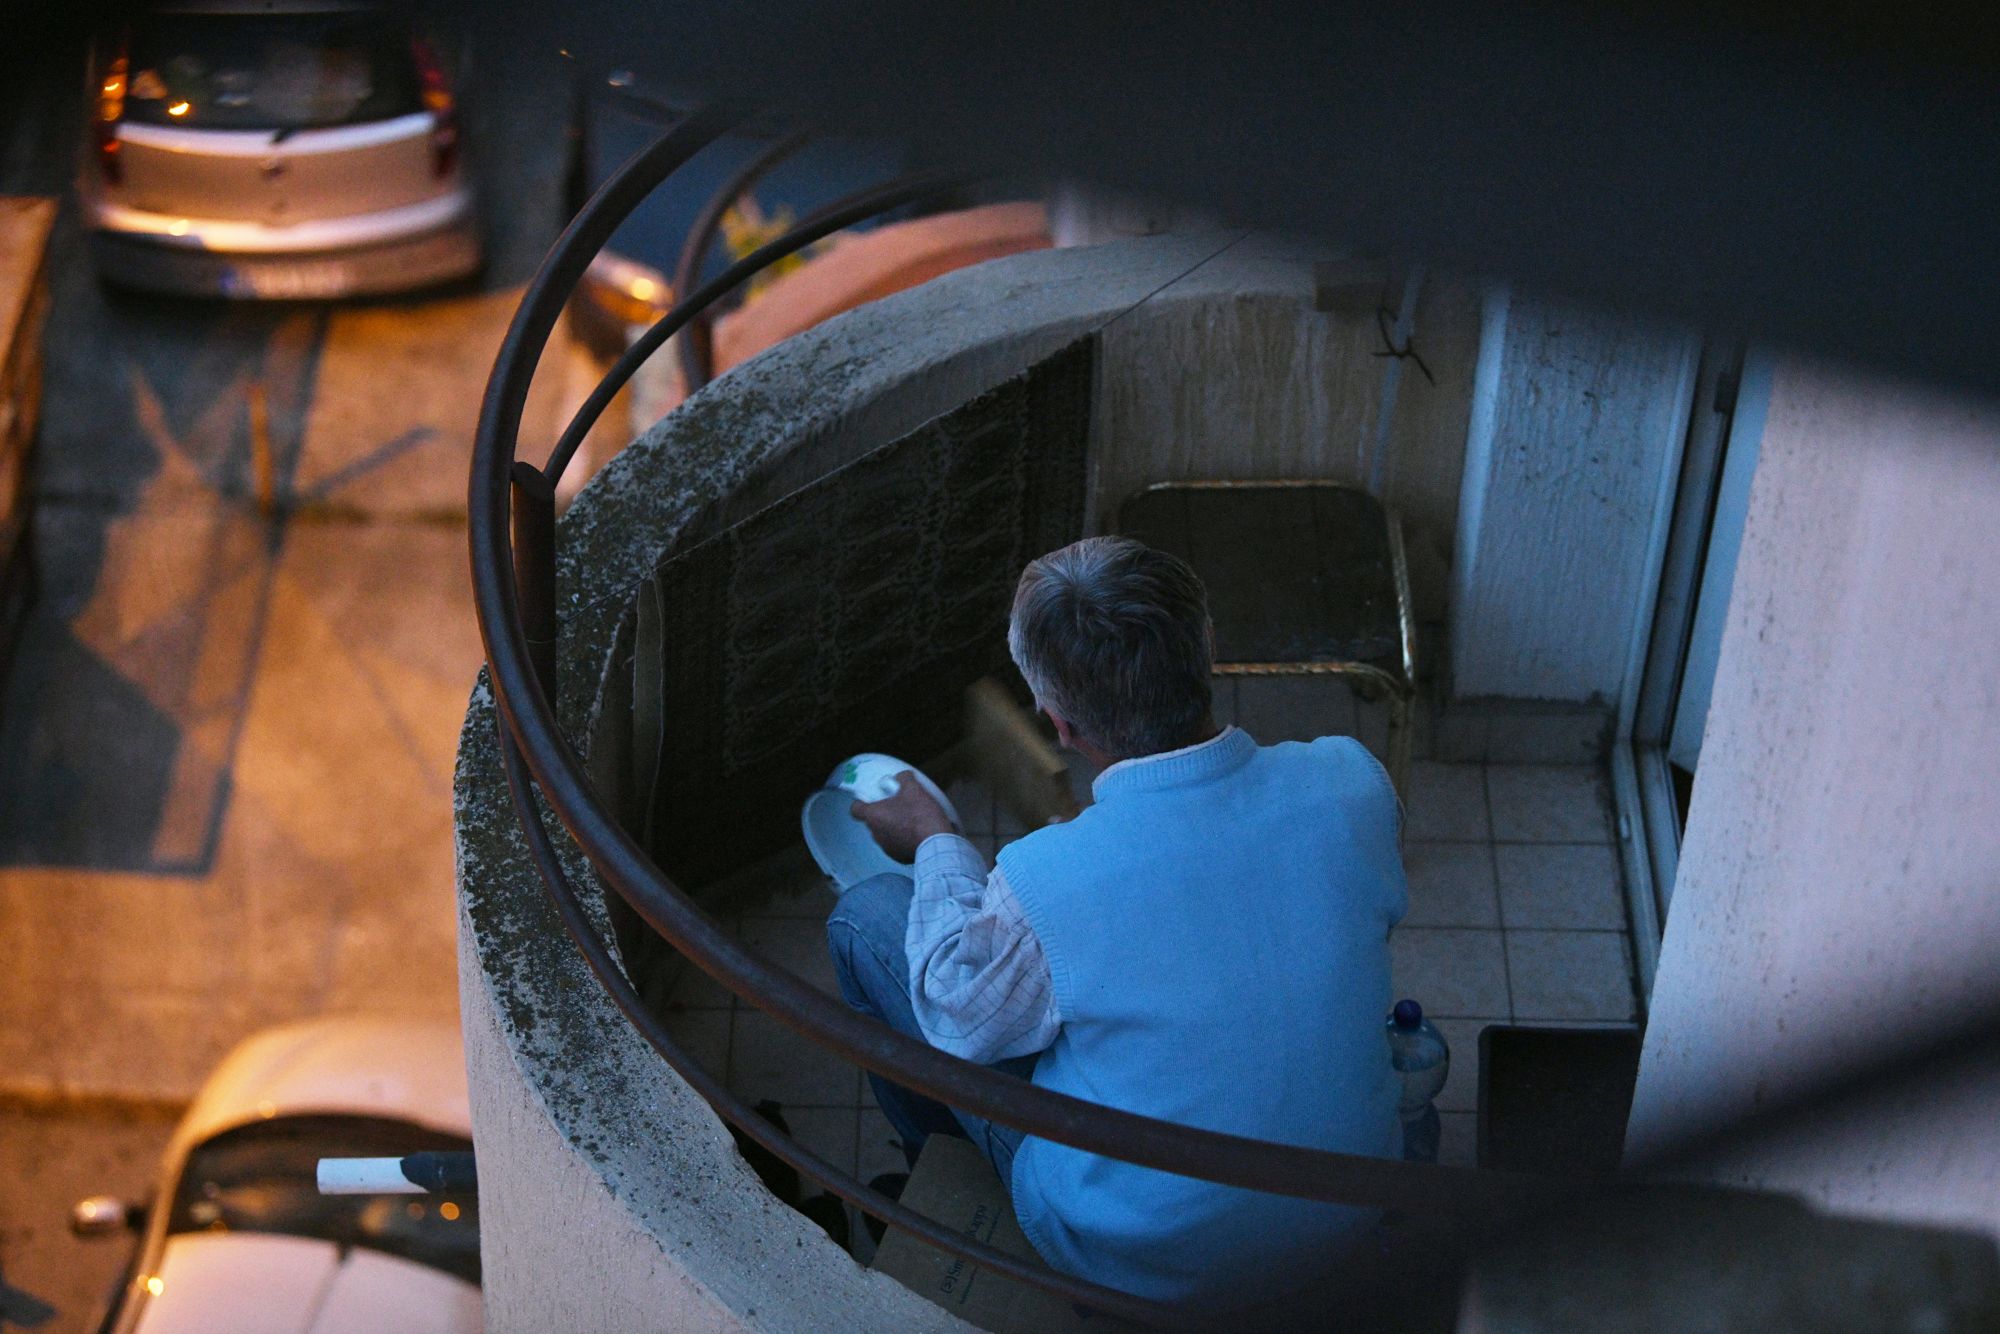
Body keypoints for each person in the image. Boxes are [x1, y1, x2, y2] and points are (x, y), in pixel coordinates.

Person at [824, 535, 1406, 1308]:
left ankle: (945, 1175)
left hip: (1145, 1260)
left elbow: (956, 1021)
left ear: (1057, 723)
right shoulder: (1352, 783)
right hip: (1347, 1214)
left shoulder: (1043, 880)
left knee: (868, 921)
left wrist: (935, 838)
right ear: (1207, 647)